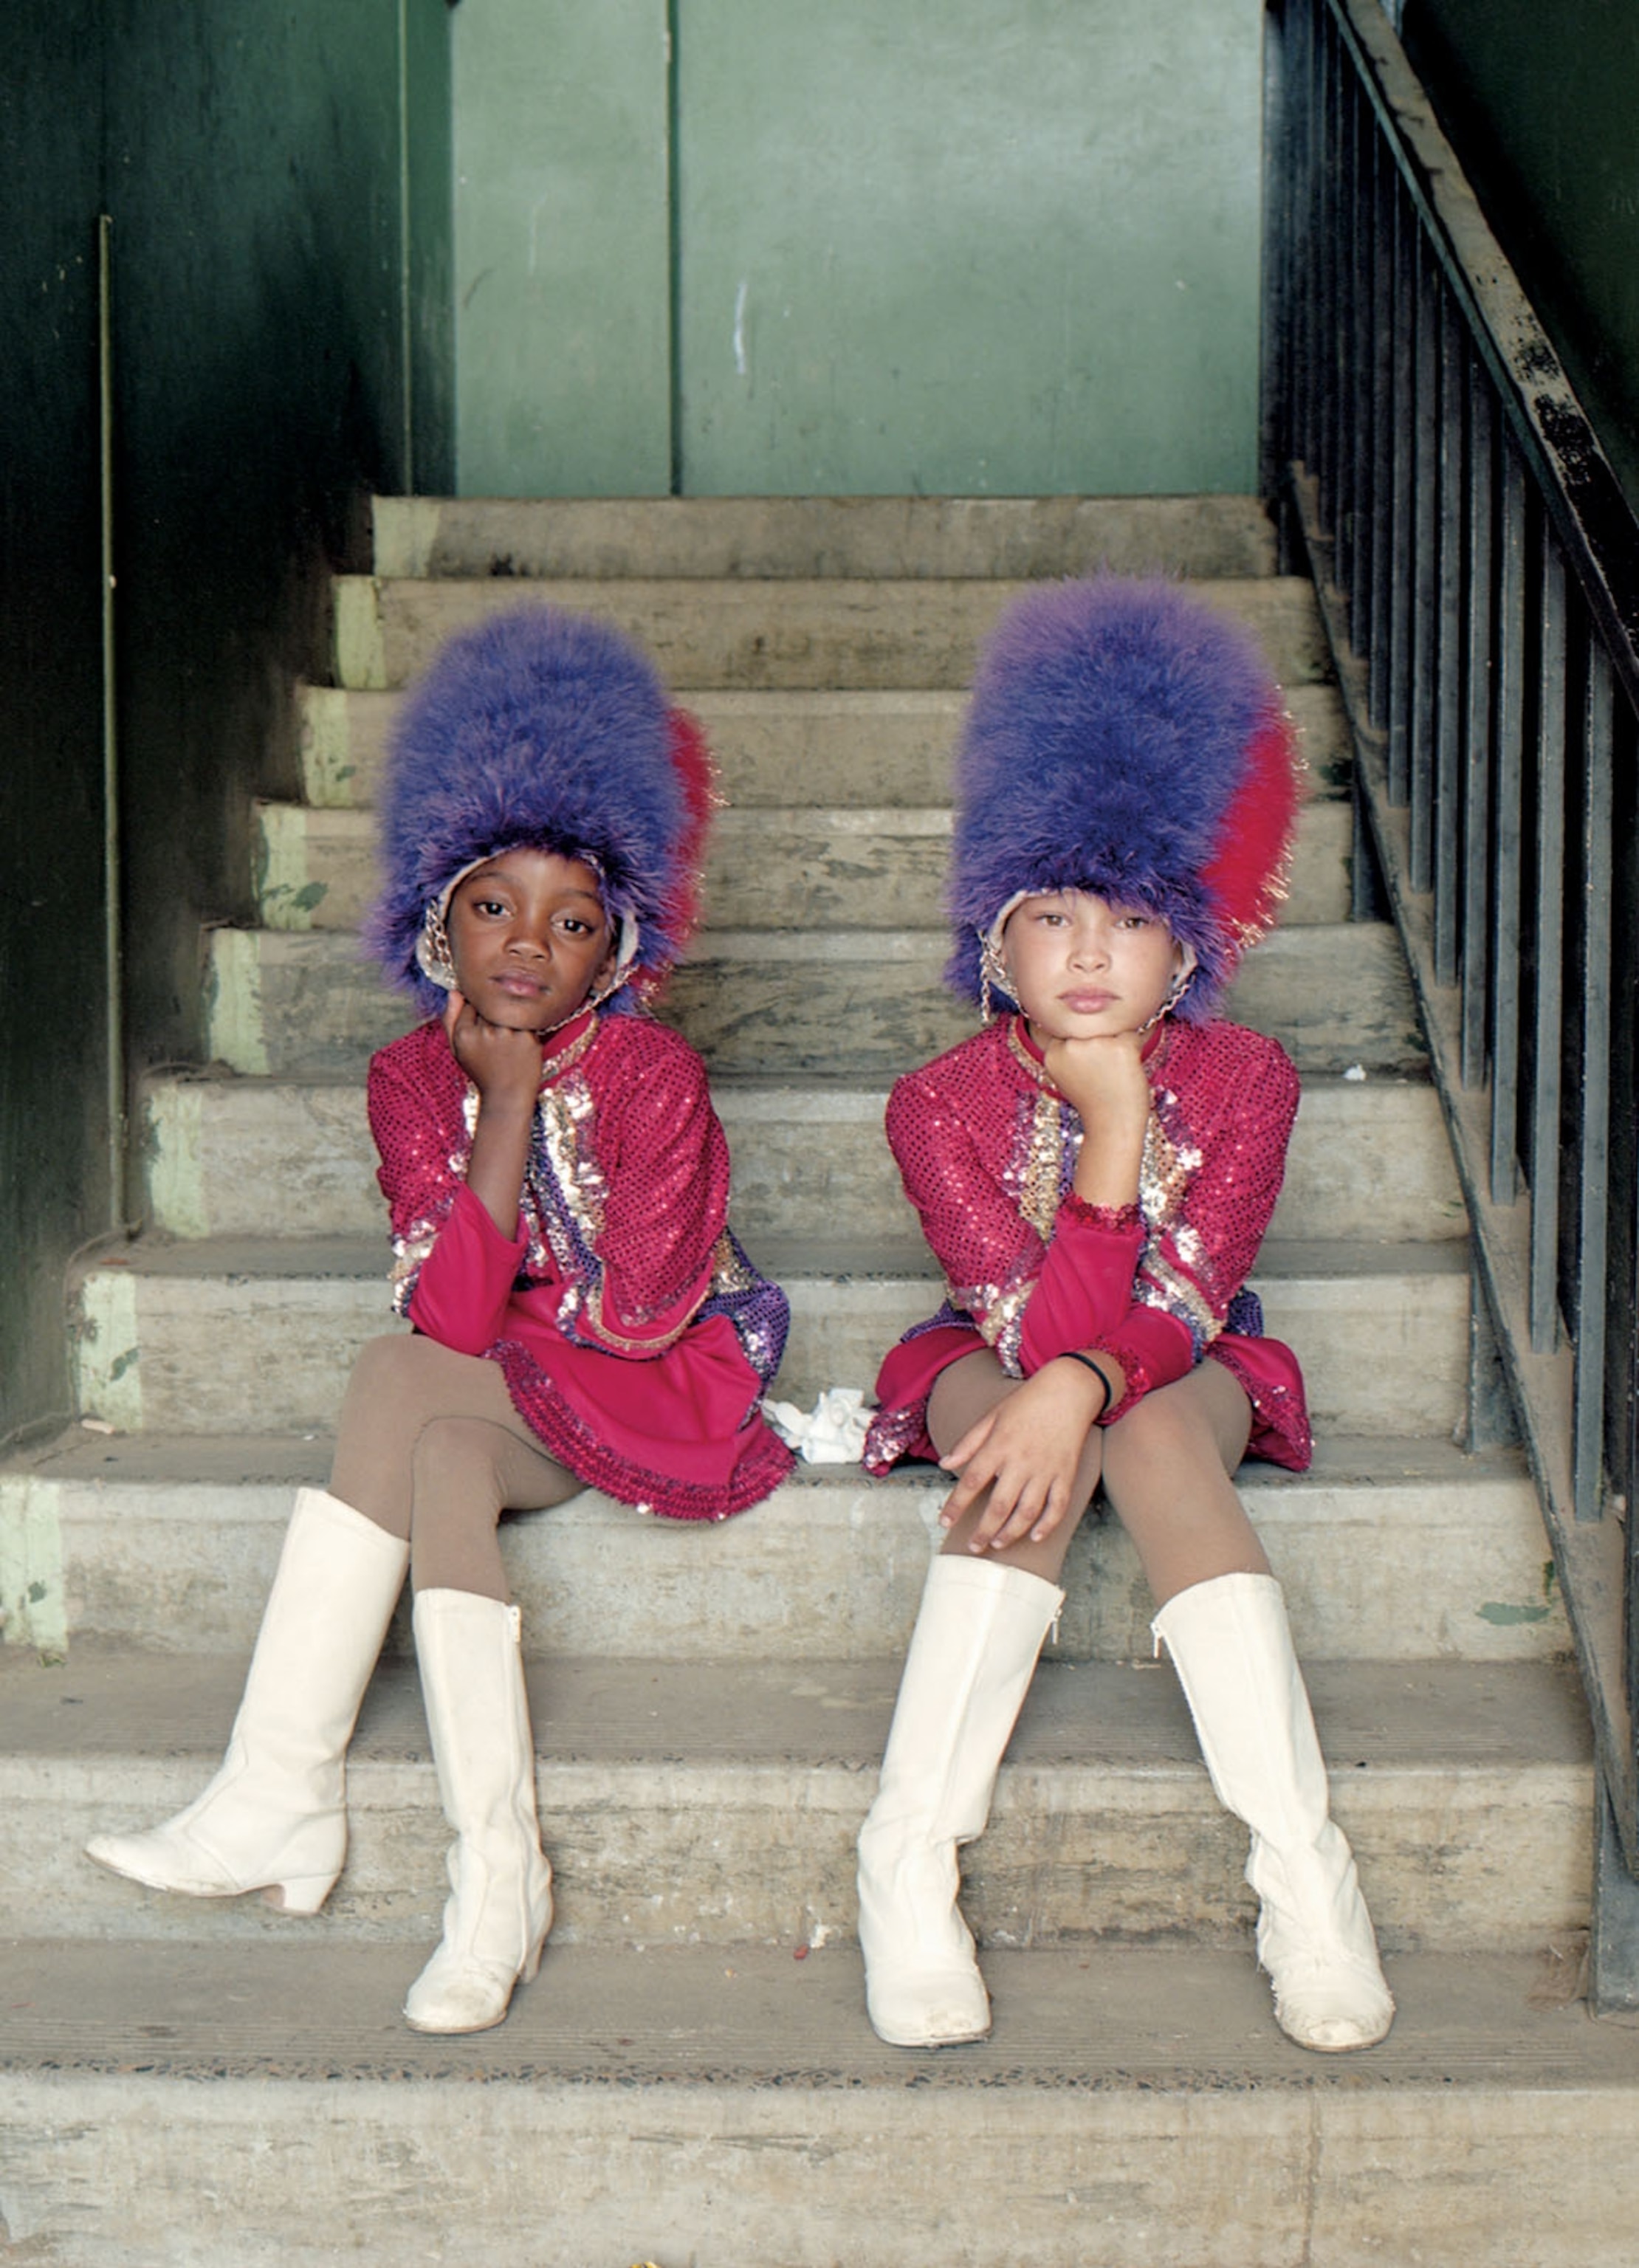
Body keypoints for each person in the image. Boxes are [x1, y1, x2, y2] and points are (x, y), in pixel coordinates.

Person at [86, 605, 794, 2034]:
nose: (528, 944)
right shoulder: (412, 1079)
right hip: (501, 1389)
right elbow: (460, 1318)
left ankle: (283, 1790)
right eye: (493, 907)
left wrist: (520, 1098)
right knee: (440, 1447)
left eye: (572, 920)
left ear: (618, 948)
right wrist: (496, 1108)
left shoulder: (653, 1075)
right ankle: (496, 1879)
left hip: (664, 1378)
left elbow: (639, 1315)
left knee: (398, 1378)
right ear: (437, 918)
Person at [856, 577, 1393, 2055]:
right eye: (1054, 916)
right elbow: (1027, 1341)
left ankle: (1305, 1879)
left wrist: (1086, 1374)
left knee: (1147, 1433)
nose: (1092, 954)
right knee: (1026, 1443)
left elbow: (1185, 1302)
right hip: (987, 1356)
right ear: (997, 940)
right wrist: (1110, 1130)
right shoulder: (937, 1102)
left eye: (1135, 917)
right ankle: (907, 1861)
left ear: (1189, 946)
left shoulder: (1248, 1078)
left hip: (1185, 1359)